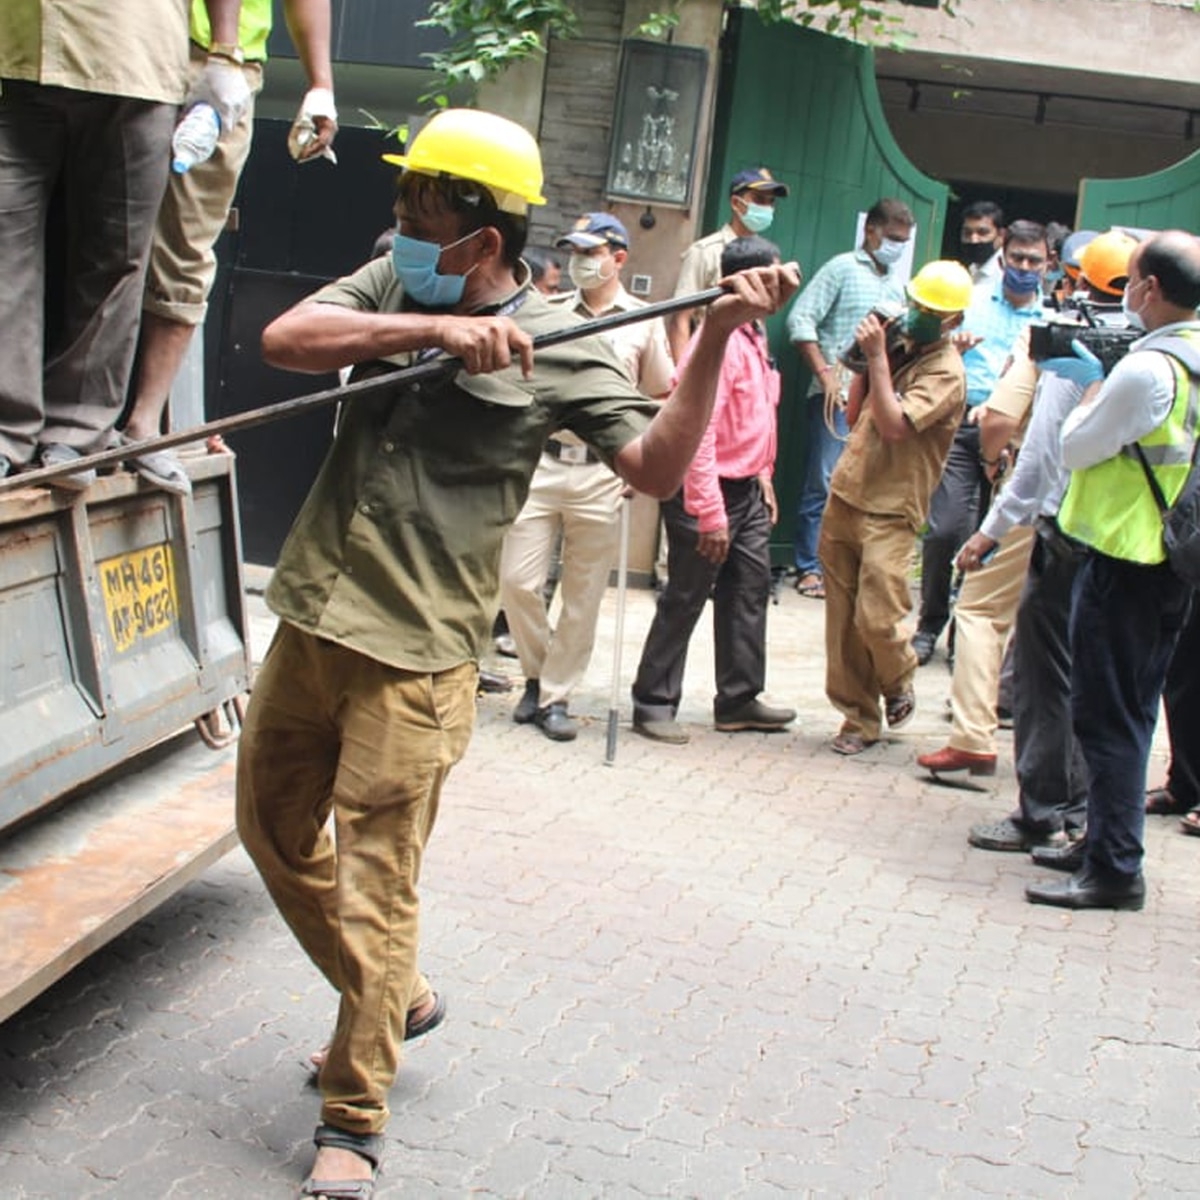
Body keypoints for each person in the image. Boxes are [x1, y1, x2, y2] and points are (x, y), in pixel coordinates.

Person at [235, 107, 797, 1195]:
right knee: (269, 833)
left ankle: (354, 1116)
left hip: (416, 653)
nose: (400, 228)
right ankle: (395, 997)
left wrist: (719, 337)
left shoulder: (563, 344)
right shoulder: (397, 285)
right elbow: (284, 340)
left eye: (421, 215)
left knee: (377, 881)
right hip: (312, 613)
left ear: (483, 240)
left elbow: (649, 465)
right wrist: (427, 334)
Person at [921, 232, 1138, 859]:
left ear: (1073, 279)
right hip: (1133, 545)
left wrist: (991, 531)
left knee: (1048, 680)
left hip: (1067, 533)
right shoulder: (1167, 354)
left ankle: (1046, 811)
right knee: (1109, 688)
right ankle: (1085, 815)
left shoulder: (1075, 347)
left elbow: (1041, 457)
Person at [0, 0, 249, 489]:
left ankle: (77, 431)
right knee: (7, 251)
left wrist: (223, 53)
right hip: (20, 56)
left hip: (135, 62)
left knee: (114, 258)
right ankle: (6, 431)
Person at [1027, 230, 1200, 911]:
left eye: (1129, 279)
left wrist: (1095, 385)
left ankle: (1113, 868)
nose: (1125, 292)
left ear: (1151, 289)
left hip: (1126, 561)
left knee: (1109, 720)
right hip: (1168, 562)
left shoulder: (1145, 371)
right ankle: (1102, 841)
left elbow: (1074, 448)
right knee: (1129, 710)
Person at [121, 0, 337, 494]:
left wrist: (321, 84)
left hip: (226, 67)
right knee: (101, 233)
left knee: (186, 246)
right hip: (136, 44)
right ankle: (72, 424)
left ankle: (144, 426)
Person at [500, 212, 673, 741]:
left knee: (582, 595)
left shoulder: (646, 320)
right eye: (575, 252)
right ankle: (536, 672)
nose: (580, 262)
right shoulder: (548, 312)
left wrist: (637, 466)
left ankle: (554, 696)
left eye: (591, 252)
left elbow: (660, 397)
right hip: (542, 463)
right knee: (517, 582)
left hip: (602, 472)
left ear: (618, 258)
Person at [630, 235, 795, 746]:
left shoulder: (756, 335)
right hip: (706, 489)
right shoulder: (715, 342)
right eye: (772, 279)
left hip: (746, 486)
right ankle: (653, 702)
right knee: (686, 594)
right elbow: (697, 432)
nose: (781, 289)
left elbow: (755, 416)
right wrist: (710, 512)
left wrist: (763, 473)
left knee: (749, 591)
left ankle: (739, 699)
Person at [819, 260, 971, 756]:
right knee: (842, 621)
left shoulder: (947, 371)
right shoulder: (897, 345)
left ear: (953, 321)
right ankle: (858, 719)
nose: (918, 316)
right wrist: (865, 359)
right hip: (848, 491)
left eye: (932, 312)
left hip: (892, 507)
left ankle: (898, 677)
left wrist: (879, 359)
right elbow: (856, 412)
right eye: (916, 305)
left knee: (877, 617)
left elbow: (894, 426)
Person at [912, 220, 1049, 666]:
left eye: (1034, 261)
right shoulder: (972, 301)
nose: (1024, 268)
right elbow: (933, 349)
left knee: (996, 537)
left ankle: (968, 635)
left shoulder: (1050, 322)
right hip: (962, 432)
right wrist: (957, 350)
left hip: (1017, 442)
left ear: (1047, 265)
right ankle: (930, 621)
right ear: (1003, 256)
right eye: (1017, 259)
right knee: (945, 529)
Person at [786, 197, 915, 600]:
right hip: (835, 398)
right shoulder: (842, 268)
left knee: (861, 487)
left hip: (877, 402)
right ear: (870, 231)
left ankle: (841, 569)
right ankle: (808, 567)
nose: (897, 246)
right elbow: (799, 320)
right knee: (823, 482)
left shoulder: (898, 283)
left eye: (904, 240)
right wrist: (825, 375)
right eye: (893, 238)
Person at [666, 167, 790, 361]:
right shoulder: (705, 252)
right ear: (735, 203)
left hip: (748, 365)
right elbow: (681, 320)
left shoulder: (767, 257)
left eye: (770, 201)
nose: (767, 207)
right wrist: (681, 380)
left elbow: (760, 321)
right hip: (708, 359)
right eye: (759, 199)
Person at [957, 200, 1005, 287]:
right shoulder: (972, 269)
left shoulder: (1007, 274)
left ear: (1001, 235)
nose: (973, 240)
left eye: (982, 233)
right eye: (967, 233)